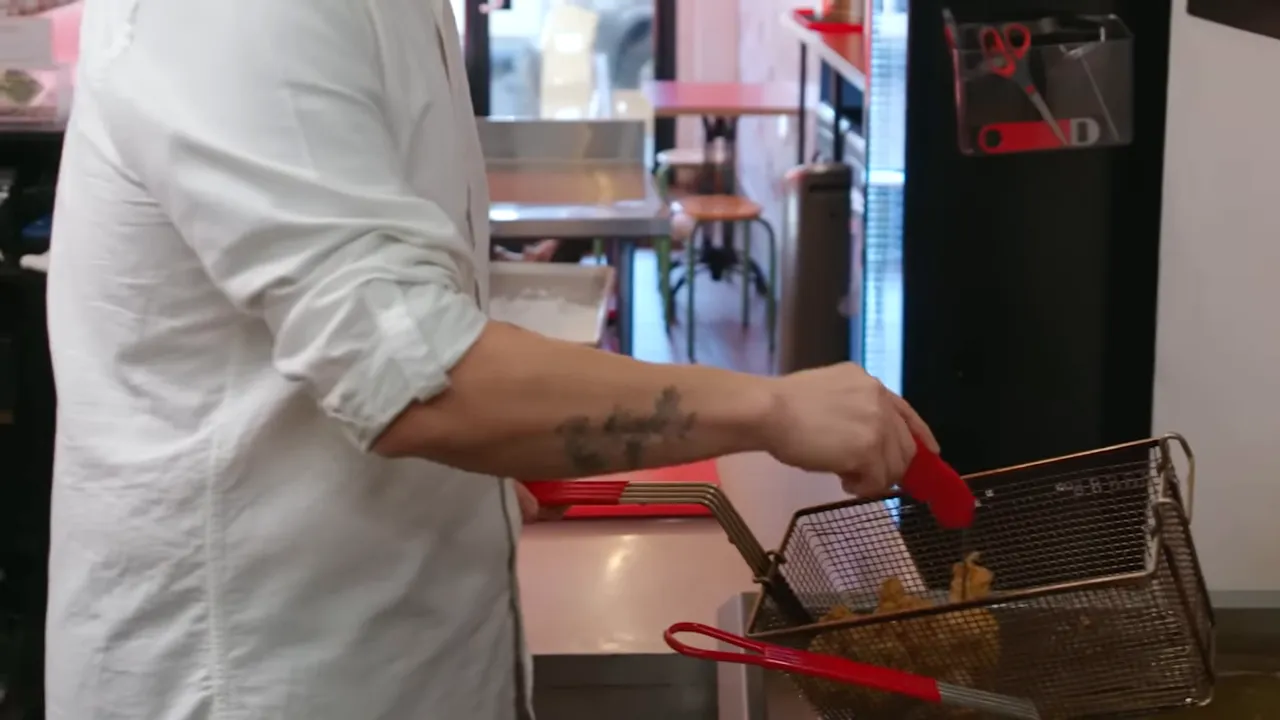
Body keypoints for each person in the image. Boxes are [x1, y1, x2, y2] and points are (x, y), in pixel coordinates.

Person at [43, 0, 939, 718]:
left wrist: (491, 471)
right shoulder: (244, 15)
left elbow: (371, 316)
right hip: (261, 675)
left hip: (405, 651)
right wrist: (771, 409)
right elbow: (420, 385)